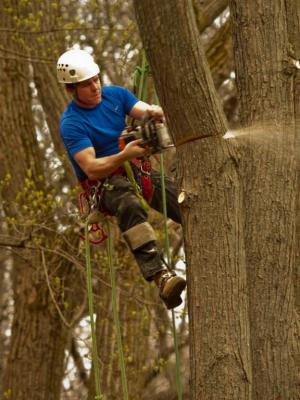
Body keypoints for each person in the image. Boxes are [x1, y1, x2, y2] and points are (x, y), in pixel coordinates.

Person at [57, 49, 186, 309]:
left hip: (137, 168)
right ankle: (161, 276)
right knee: (128, 203)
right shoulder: (72, 123)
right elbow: (91, 167)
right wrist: (123, 155)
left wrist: (158, 113)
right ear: (72, 90)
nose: (95, 87)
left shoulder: (115, 95)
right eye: (87, 84)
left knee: (180, 200)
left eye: (96, 79)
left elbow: (143, 109)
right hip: (104, 184)